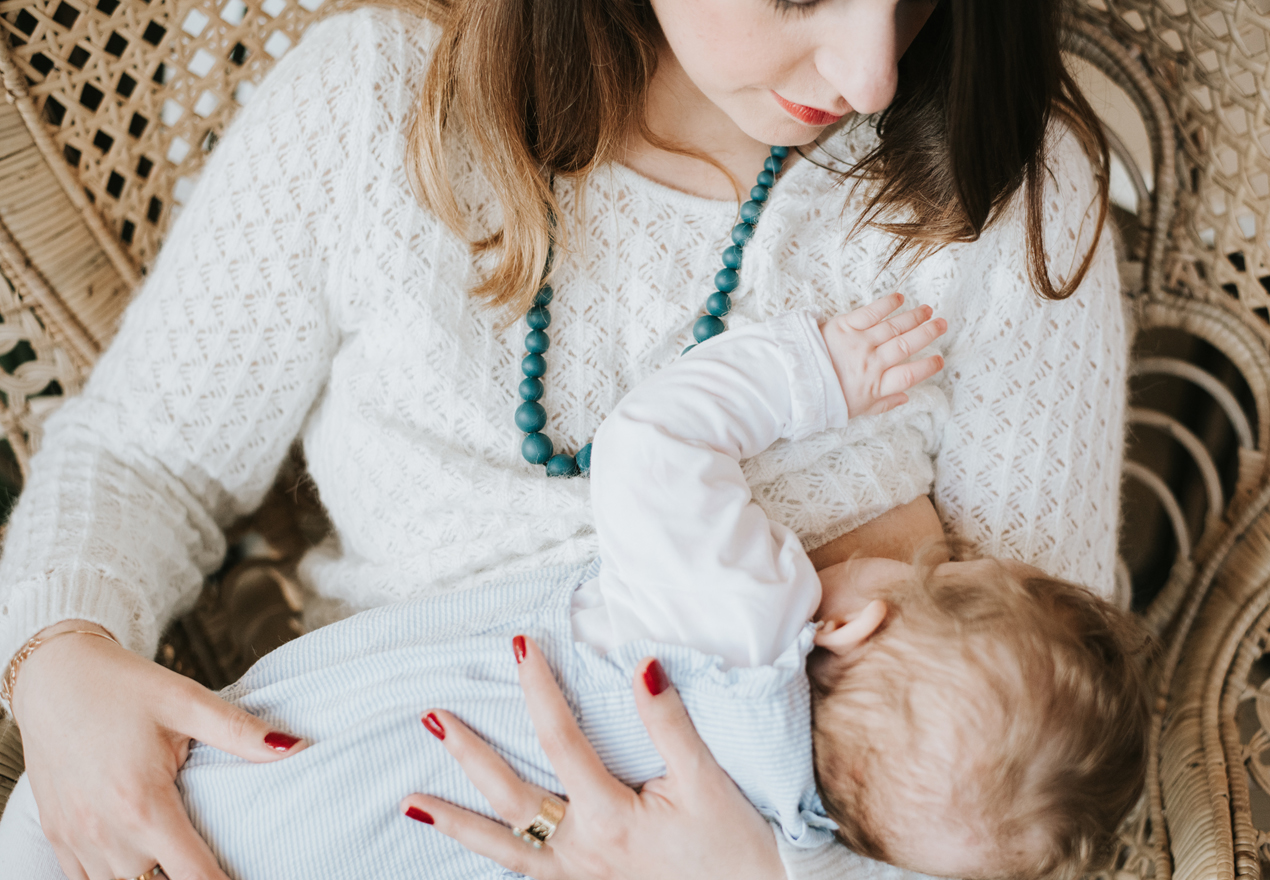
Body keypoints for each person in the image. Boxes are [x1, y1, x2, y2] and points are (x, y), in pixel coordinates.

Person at [0, 0, 1127, 877]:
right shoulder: (374, 106)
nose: (872, 70)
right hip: (348, 792)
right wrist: (58, 662)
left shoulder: (1004, 195)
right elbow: (147, 457)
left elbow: (1013, 771)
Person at [4, 299, 1147, 880]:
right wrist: (56, 654)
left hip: (228, 789)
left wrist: (819, 370)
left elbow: (654, 444)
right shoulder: (798, 848)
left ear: (854, 617)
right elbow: (137, 454)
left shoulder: (742, 614)